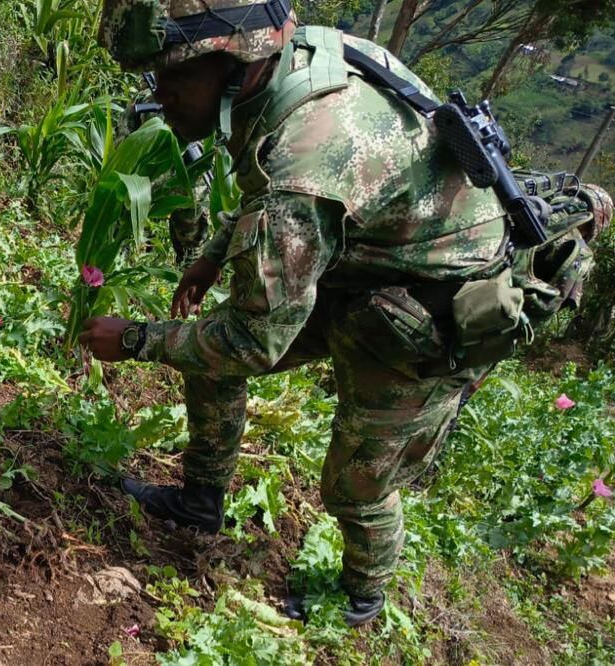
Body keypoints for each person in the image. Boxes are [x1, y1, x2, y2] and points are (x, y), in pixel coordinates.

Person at [82, 0, 611, 627]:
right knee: (209, 350)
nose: (159, 94)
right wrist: (216, 253)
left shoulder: (304, 166)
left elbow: (254, 341)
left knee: (357, 481)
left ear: (233, 62)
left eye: (172, 77)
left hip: (429, 314)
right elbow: (273, 182)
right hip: (364, 262)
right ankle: (201, 499)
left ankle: (362, 596)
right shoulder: (294, 61)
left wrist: (137, 339)